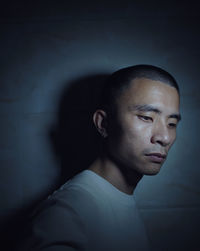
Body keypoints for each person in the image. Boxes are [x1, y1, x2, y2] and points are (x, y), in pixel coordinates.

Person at [25, 65, 181, 251]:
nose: (164, 137)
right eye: (146, 117)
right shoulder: (68, 211)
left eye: (172, 123)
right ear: (103, 123)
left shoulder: (115, 198)